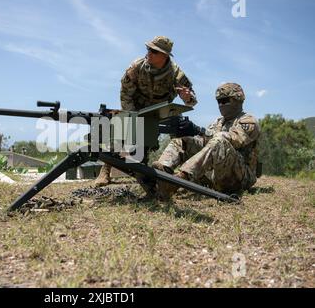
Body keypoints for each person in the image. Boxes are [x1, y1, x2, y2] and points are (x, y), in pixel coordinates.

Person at [94, 35, 198, 187]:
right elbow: (125, 94)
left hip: (161, 111)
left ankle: (186, 173)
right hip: (137, 107)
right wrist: (132, 117)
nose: (148, 52)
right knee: (122, 127)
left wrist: (187, 97)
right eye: (148, 49)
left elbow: (192, 100)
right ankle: (106, 169)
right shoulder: (137, 67)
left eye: (154, 51)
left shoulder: (176, 73)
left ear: (165, 56)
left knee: (182, 129)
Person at [152, 82, 261, 201]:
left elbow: (233, 139)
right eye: (219, 101)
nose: (221, 105)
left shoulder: (248, 121)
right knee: (183, 141)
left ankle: (177, 182)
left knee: (219, 142)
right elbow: (204, 142)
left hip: (240, 178)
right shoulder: (218, 122)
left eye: (225, 101)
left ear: (238, 99)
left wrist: (199, 130)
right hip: (214, 175)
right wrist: (188, 134)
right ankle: (162, 176)